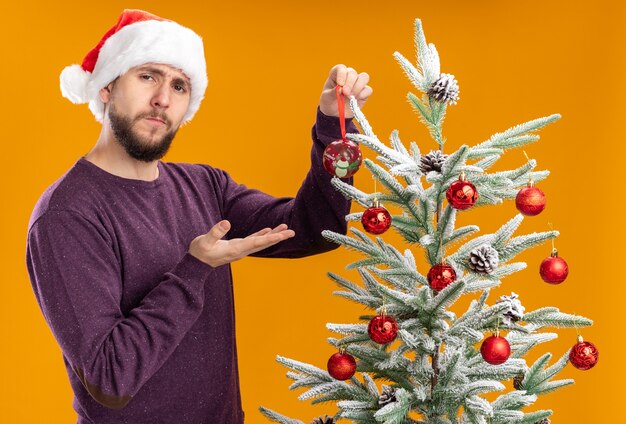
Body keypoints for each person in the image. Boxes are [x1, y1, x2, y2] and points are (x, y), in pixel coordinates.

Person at [25, 9, 372, 424]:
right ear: (106, 86)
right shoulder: (67, 215)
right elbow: (110, 378)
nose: (163, 100)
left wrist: (334, 128)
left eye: (179, 85)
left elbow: (316, 230)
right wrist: (195, 269)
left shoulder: (203, 186)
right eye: (147, 76)